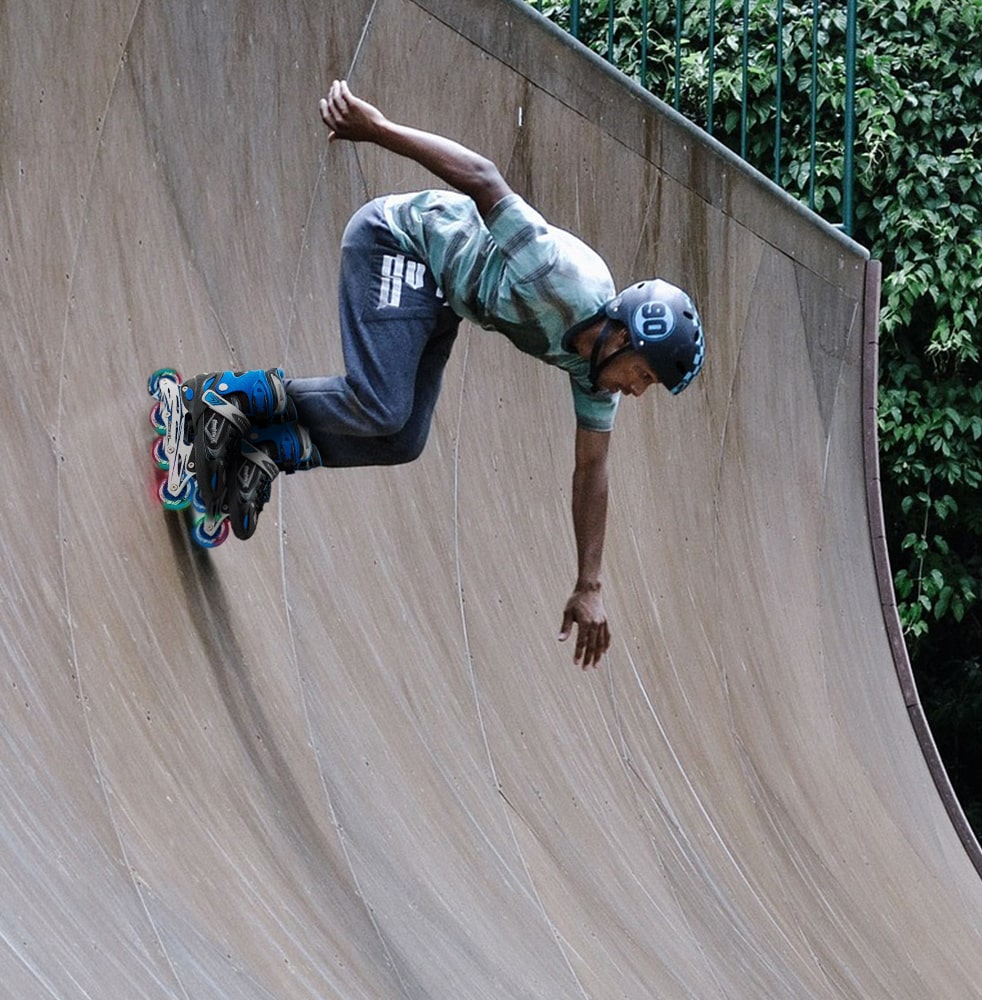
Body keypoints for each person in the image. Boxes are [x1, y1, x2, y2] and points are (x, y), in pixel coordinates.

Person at [181, 80, 705, 669]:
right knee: (379, 406)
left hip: (442, 297)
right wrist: (375, 128)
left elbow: (593, 467)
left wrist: (590, 583)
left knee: (404, 438)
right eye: (644, 376)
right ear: (626, 337)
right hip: (396, 242)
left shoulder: (593, 370)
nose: (635, 390)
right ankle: (229, 396)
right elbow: (483, 178)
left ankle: (271, 448)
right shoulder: (560, 278)